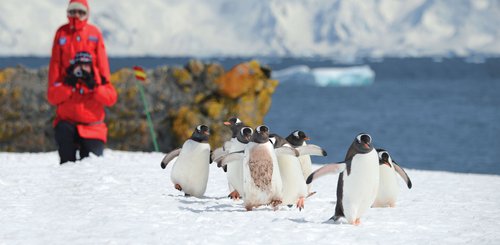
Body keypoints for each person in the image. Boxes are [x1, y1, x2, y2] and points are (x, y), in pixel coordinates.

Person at [47, 0, 117, 164]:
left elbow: (110, 97)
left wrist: (93, 85)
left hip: (93, 124)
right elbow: (52, 95)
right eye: (72, 11)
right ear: (67, 13)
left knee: (92, 169)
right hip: (66, 121)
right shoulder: (61, 33)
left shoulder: (95, 34)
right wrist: (68, 84)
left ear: (87, 13)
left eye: (80, 11)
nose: (76, 15)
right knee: (67, 167)